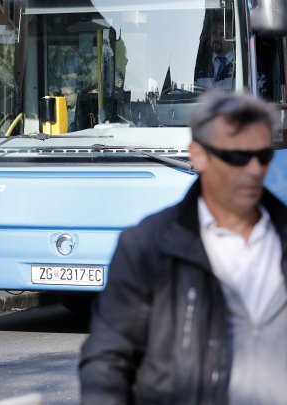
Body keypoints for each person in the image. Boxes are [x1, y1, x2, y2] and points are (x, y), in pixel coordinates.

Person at [80, 91, 286, 404]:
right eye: (237, 156)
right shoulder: (148, 245)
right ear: (198, 155)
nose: (255, 169)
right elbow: (108, 359)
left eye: (263, 156)